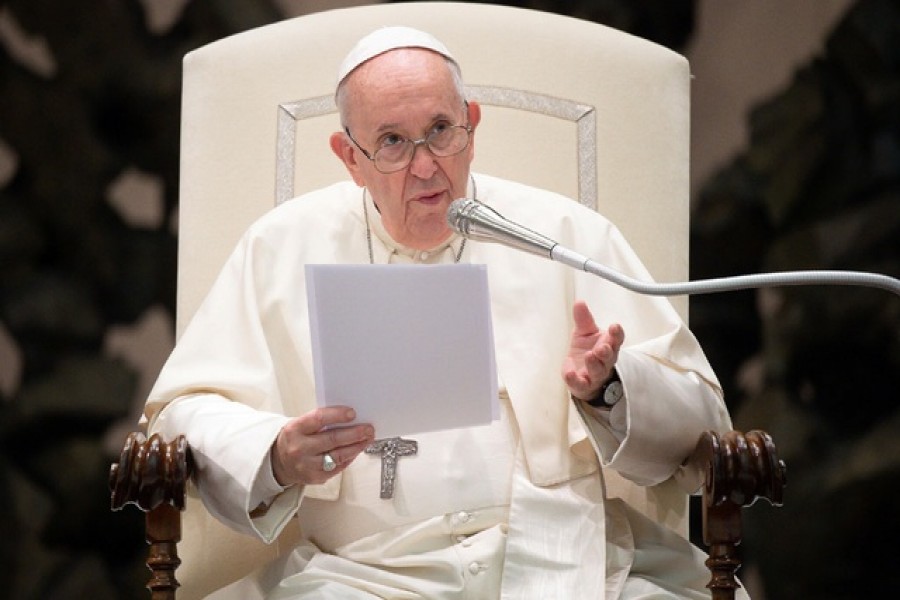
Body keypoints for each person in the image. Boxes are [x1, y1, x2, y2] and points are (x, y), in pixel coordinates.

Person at [145, 26, 743, 599]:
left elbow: (702, 417)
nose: (426, 166)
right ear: (349, 157)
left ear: (472, 126)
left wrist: (611, 392)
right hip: (365, 572)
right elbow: (181, 415)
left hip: (564, 553)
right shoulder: (279, 248)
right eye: (392, 142)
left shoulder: (564, 234)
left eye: (440, 130)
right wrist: (274, 454)